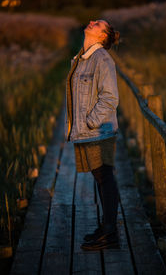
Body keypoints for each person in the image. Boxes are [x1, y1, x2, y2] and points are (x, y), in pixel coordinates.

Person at [65, 19, 120, 251]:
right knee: (101, 178)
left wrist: (90, 122)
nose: (91, 22)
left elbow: (110, 98)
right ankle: (106, 228)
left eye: (98, 24)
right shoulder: (83, 57)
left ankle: (110, 234)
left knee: (104, 178)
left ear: (102, 36)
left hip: (99, 131)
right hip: (91, 131)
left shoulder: (102, 60)